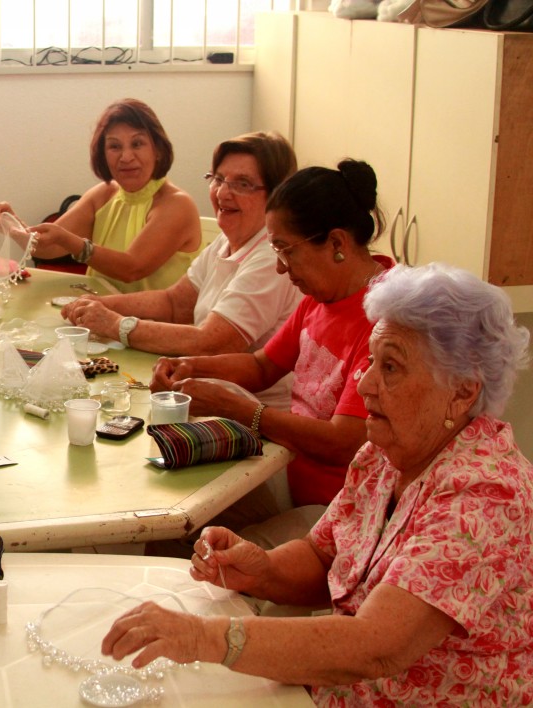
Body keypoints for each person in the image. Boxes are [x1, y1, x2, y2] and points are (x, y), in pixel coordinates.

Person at [102, 262, 533, 705]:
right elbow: (322, 554)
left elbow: (378, 646)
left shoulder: (486, 493)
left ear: (463, 391)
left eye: (392, 367)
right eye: (370, 360)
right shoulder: (384, 454)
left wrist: (205, 638)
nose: (365, 384)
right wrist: (262, 570)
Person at [152, 160, 393, 542]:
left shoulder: (385, 319)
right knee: (174, 520)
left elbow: (342, 442)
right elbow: (263, 365)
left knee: (213, 560)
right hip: (291, 478)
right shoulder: (322, 297)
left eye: (285, 250)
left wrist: (242, 411)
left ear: (336, 243)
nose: (281, 269)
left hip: (344, 507)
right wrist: (188, 366)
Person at [61, 131, 302, 408]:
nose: (223, 193)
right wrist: (98, 305)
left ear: (276, 195)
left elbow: (211, 343)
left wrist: (116, 324)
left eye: (243, 184)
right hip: (210, 395)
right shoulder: (229, 241)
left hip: (253, 412)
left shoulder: (270, 257)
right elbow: (175, 302)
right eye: (219, 179)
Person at [0, 98, 201, 294]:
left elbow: (131, 269)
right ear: (103, 154)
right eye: (114, 146)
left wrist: (75, 244)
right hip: (101, 314)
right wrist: (11, 224)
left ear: (158, 150)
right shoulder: (104, 194)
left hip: (157, 327)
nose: (126, 157)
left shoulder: (176, 204)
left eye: (137, 144)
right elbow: (46, 247)